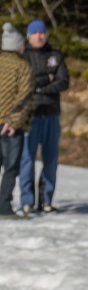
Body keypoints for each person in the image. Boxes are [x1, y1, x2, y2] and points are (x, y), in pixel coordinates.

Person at [18, 20, 67, 216]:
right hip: (31, 115)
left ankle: (46, 200)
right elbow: (25, 84)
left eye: (42, 33)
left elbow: (63, 81)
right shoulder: (23, 57)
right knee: (27, 159)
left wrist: (41, 86)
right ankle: (27, 200)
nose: (39, 36)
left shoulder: (55, 56)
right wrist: (46, 79)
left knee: (51, 159)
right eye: (35, 33)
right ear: (29, 36)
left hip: (52, 114)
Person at [0, 22, 33, 221]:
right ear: (18, 46)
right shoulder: (23, 67)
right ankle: (3, 206)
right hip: (9, 127)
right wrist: (13, 121)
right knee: (10, 167)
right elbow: (25, 98)